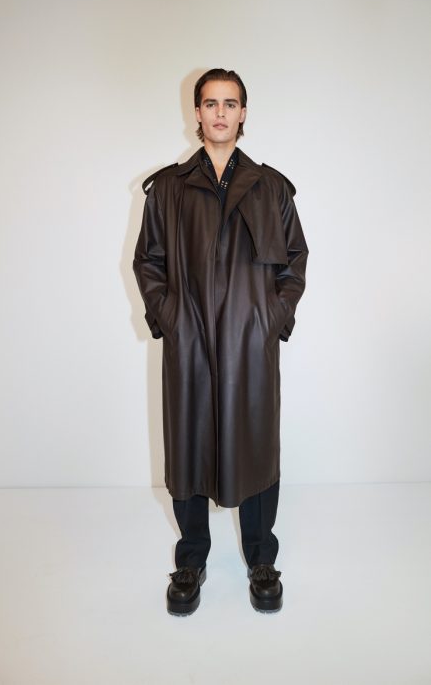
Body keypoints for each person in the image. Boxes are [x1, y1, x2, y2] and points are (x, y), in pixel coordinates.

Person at [133, 68, 308, 616]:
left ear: (243, 113)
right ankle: (191, 559)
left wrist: (270, 320)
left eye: (230, 103)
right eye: (211, 103)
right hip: (189, 343)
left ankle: (261, 559)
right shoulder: (168, 188)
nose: (220, 113)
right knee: (188, 444)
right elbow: (149, 262)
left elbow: (295, 261)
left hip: (250, 346)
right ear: (197, 113)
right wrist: (171, 318)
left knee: (255, 443)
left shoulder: (271, 187)